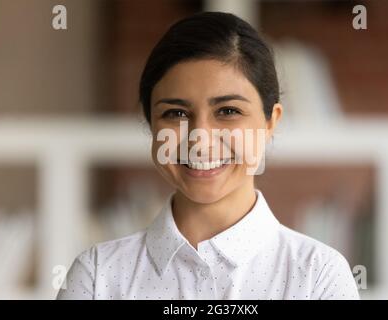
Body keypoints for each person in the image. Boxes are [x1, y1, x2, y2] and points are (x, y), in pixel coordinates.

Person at [57, 11, 359, 300]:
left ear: (270, 123)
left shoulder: (318, 276)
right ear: (150, 124)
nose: (200, 140)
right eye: (175, 113)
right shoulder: (97, 277)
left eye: (228, 112)